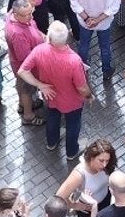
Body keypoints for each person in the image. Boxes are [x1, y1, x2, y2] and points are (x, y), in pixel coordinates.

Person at [20, 21, 92, 157]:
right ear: (67, 37)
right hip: (72, 101)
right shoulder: (74, 61)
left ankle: (51, 143)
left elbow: (22, 71)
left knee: (53, 117)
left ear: (50, 37)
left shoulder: (39, 50)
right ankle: (71, 152)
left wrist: (40, 85)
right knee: (73, 124)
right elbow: (82, 88)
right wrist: (89, 96)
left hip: (50, 96)